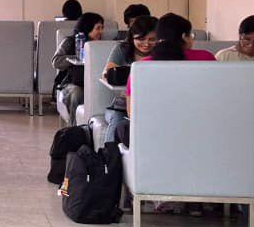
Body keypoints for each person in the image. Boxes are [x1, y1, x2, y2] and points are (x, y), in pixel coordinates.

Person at [127, 12, 214, 114]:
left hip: (153, 127)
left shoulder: (141, 66)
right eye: (191, 35)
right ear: (184, 36)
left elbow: (131, 111)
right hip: (199, 122)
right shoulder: (206, 58)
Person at [101, 15, 157, 144]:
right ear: (132, 37)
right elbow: (106, 73)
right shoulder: (122, 49)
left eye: (152, 39)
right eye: (141, 39)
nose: (146, 44)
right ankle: (108, 160)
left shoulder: (162, 52)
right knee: (116, 129)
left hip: (154, 105)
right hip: (122, 106)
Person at [51, 11, 106, 124]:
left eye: (102, 28)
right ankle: (75, 128)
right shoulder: (70, 42)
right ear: (87, 27)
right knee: (77, 93)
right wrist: (75, 57)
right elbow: (56, 61)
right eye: (98, 28)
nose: (101, 32)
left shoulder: (102, 46)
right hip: (72, 83)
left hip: (95, 83)